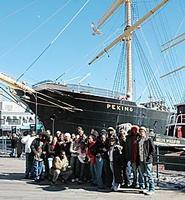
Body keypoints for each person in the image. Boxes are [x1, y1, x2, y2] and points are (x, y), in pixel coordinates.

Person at [138, 126, 155, 195]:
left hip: (147, 160)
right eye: (140, 132)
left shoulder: (149, 139)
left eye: (142, 131)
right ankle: (146, 187)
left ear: (145, 132)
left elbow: (153, 150)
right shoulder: (140, 140)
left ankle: (152, 188)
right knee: (144, 174)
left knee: (149, 174)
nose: (141, 133)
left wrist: (148, 157)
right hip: (141, 160)